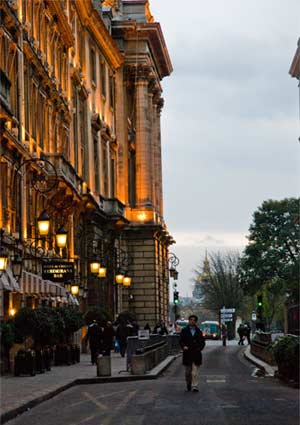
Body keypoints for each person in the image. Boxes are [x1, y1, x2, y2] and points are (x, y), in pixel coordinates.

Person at [179, 314, 205, 392]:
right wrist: (183, 346)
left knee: (195, 372)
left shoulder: (199, 331)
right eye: (191, 320)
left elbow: (202, 342)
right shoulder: (184, 330)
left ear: (196, 322)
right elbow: (181, 340)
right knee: (188, 372)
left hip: (196, 353)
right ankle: (188, 383)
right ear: (189, 321)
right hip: (187, 353)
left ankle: (195, 386)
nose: (192, 321)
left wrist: (199, 349)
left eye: (194, 320)